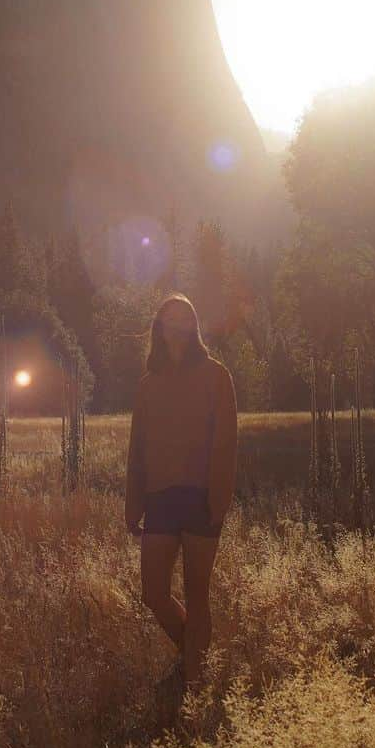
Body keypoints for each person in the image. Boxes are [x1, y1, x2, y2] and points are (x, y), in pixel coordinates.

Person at [125, 292, 238, 694]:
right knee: (153, 593)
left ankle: (194, 685)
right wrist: (132, 504)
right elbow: (137, 448)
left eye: (184, 321)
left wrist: (218, 499)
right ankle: (195, 656)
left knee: (197, 593)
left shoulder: (216, 376)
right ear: (159, 329)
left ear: (194, 328)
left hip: (201, 497)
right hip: (160, 499)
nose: (177, 329)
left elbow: (225, 442)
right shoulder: (148, 385)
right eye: (169, 321)